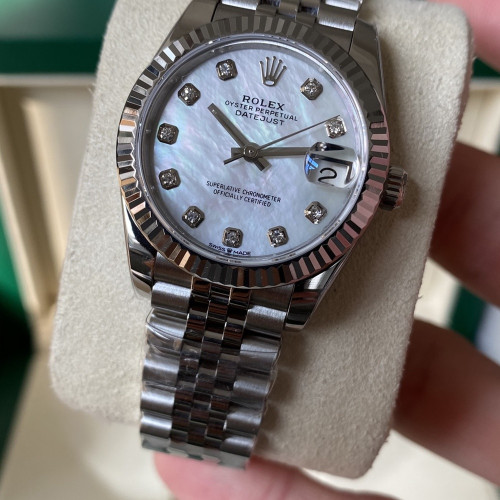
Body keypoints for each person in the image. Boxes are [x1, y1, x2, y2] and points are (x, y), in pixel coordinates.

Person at [155, 0, 500, 497]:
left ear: (384, 188)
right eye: (249, 152)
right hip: (183, 248)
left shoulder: (354, 61)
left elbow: (341, 168)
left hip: (269, 279)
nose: (251, 154)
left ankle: (208, 435)